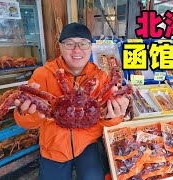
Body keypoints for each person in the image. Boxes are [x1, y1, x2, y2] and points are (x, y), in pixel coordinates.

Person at [13, 23, 129, 180]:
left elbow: (112, 118)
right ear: (60, 46)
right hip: (54, 146)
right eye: (69, 44)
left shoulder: (101, 77)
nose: (77, 49)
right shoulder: (43, 75)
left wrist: (115, 115)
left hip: (89, 143)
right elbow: (24, 121)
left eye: (83, 43)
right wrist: (29, 113)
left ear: (90, 47)